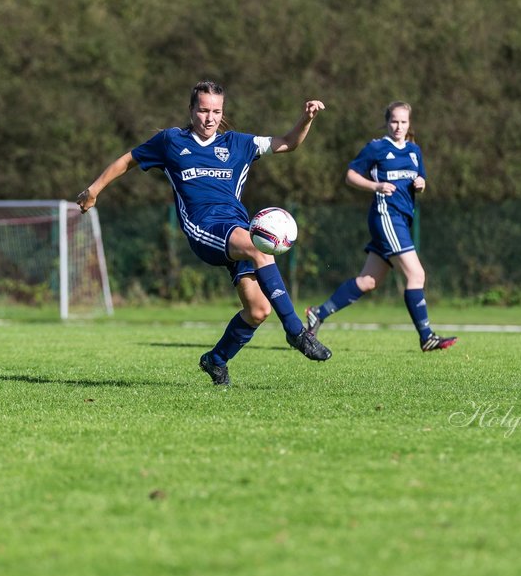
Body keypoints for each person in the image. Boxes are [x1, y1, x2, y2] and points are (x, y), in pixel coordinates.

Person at [76, 81, 330, 387]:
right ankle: (296, 332)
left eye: (216, 111)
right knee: (258, 249)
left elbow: (289, 142)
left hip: (237, 229)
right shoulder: (171, 141)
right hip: (203, 227)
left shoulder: (238, 144)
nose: (209, 118)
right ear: (191, 110)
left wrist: (307, 118)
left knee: (258, 310)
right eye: (203, 110)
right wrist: (94, 190)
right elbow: (128, 160)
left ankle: (216, 359)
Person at [303, 101, 457, 352]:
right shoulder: (376, 148)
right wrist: (376, 186)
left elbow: (422, 179)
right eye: (394, 121)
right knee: (416, 275)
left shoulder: (414, 151)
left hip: (401, 220)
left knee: (368, 281)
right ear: (387, 122)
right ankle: (426, 336)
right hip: (386, 216)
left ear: (409, 124)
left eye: (404, 122)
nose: (399, 126)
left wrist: (421, 183)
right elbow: (351, 175)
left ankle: (318, 313)